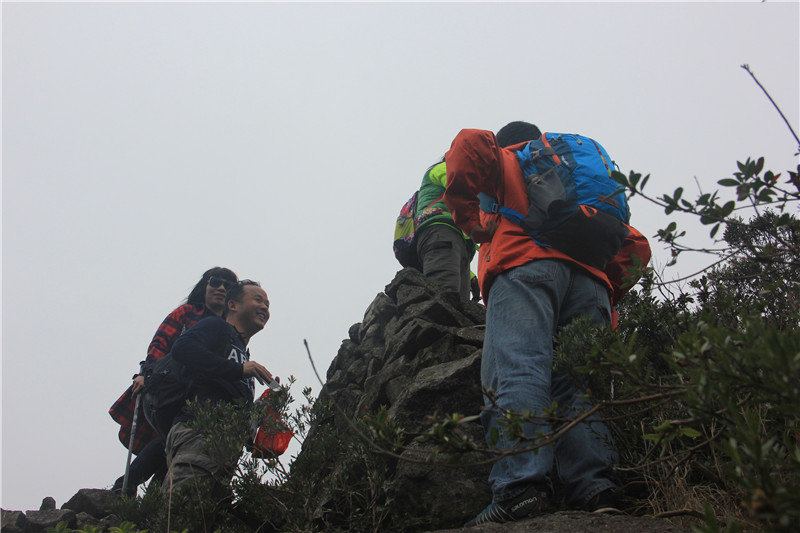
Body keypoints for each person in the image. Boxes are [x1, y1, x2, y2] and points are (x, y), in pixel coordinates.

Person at [443, 121, 652, 526]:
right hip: (590, 283)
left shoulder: (508, 159)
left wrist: (471, 222)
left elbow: (469, 142)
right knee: (580, 385)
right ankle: (597, 488)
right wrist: (606, 286)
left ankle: (520, 489)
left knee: (518, 369)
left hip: (526, 270)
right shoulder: (572, 176)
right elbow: (637, 246)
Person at [108, 266, 238, 495]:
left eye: (228, 285)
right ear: (204, 287)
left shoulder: (232, 332)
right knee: (174, 436)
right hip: (171, 387)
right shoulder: (187, 313)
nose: (221, 288)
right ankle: (127, 487)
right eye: (215, 281)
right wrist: (146, 372)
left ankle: (149, 497)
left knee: (173, 442)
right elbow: (161, 342)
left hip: (201, 395)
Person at [163, 279, 275, 500]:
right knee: (182, 508)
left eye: (268, 304)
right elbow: (182, 348)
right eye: (258, 300)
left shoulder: (241, 352)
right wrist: (238, 369)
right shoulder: (217, 326)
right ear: (232, 305)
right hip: (198, 433)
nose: (264, 307)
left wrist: (259, 411)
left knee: (202, 516)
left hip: (220, 448)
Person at [414, 158, 478, 301]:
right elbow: (460, 189)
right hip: (441, 233)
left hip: (449, 240)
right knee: (443, 297)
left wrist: (470, 276)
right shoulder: (444, 168)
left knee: (459, 308)